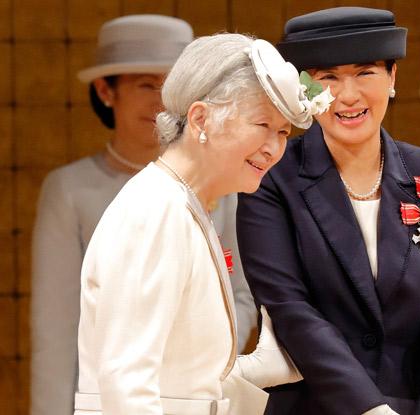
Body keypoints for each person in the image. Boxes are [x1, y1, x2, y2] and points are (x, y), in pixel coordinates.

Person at [237, 7, 420, 415]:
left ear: (393, 77)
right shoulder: (272, 176)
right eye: (328, 77)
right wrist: (371, 409)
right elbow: (290, 309)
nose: (348, 96)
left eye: (365, 73)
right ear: (303, 88)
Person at [73, 33, 321, 414]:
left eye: (283, 132)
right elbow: (127, 383)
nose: (274, 148)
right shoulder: (156, 210)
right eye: (262, 124)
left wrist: (248, 371)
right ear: (201, 118)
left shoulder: (184, 203)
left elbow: (175, 375)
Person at [30, 15, 255, 415]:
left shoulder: (223, 182)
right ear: (106, 90)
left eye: (172, 85)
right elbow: (55, 330)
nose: (161, 100)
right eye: (146, 84)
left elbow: (240, 295)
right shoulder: (69, 190)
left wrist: (195, 359)